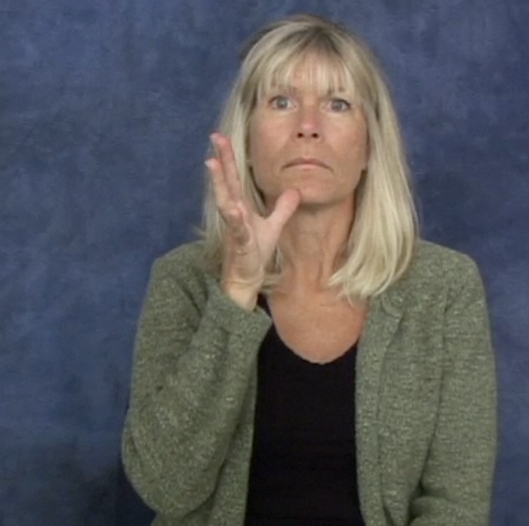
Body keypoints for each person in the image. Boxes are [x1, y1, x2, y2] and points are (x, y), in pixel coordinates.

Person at [122, 13, 497, 526]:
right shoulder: (184, 281)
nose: (307, 125)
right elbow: (164, 484)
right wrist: (236, 292)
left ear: (369, 146)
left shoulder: (445, 288)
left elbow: (456, 505)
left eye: (338, 104)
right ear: (248, 142)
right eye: (281, 101)